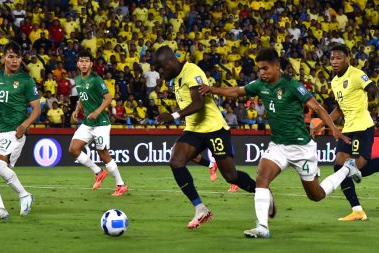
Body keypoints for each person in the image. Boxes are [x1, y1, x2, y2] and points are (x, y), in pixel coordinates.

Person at [199, 48, 361, 238]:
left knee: (316, 195)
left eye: (265, 68)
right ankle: (262, 227)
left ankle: (347, 169)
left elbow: (316, 107)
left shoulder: (292, 85)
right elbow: (237, 91)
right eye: (259, 69)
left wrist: (333, 128)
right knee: (261, 178)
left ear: (277, 67)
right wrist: (212, 89)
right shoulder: (260, 85)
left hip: (302, 149)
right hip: (278, 146)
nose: (262, 73)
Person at [154, 46, 275, 230]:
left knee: (231, 176)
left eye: (161, 68)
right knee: (176, 161)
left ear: (171, 61)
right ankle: (200, 209)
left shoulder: (191, 71)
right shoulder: (175, 80)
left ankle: (263, 192)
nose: (160, 73)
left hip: (214, 129)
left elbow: (199, 102)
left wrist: (174, 116)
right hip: (194, 129)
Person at [312, 44, 379, 221]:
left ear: (347, 58)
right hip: (347, 129)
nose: (334, 62)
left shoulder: (356, 74)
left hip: (363, 127)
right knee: (339, 167)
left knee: (355, 168)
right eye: (332, 58)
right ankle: (357, 210)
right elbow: (340, 109)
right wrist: (321, 125)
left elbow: (372, 87)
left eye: (338, 58)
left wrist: (372, 92)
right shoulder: (334, 82)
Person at [68, 50, 128, 197]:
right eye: (81, 61)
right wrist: (77, 109)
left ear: (91, 64)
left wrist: (96, 112)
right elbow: (82, 97)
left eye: (86, 61)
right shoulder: (78, 79)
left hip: (101, 122)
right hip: (88, 123)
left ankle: (121, 184)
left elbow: (108, 98)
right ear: (78, 64)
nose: (83, 64)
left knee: (103, 153)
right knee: (73, 149)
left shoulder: (96, 79)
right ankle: (98, 172)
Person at [0, 42, 40, 219]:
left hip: (14, 132)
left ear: (21, 59)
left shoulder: (26, 81)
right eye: (11, 56)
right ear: (4, 57)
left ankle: (24, 195)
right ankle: (0, 209)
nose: (14, 60)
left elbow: (36, 109)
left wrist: (25, 125)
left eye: (18, 57)